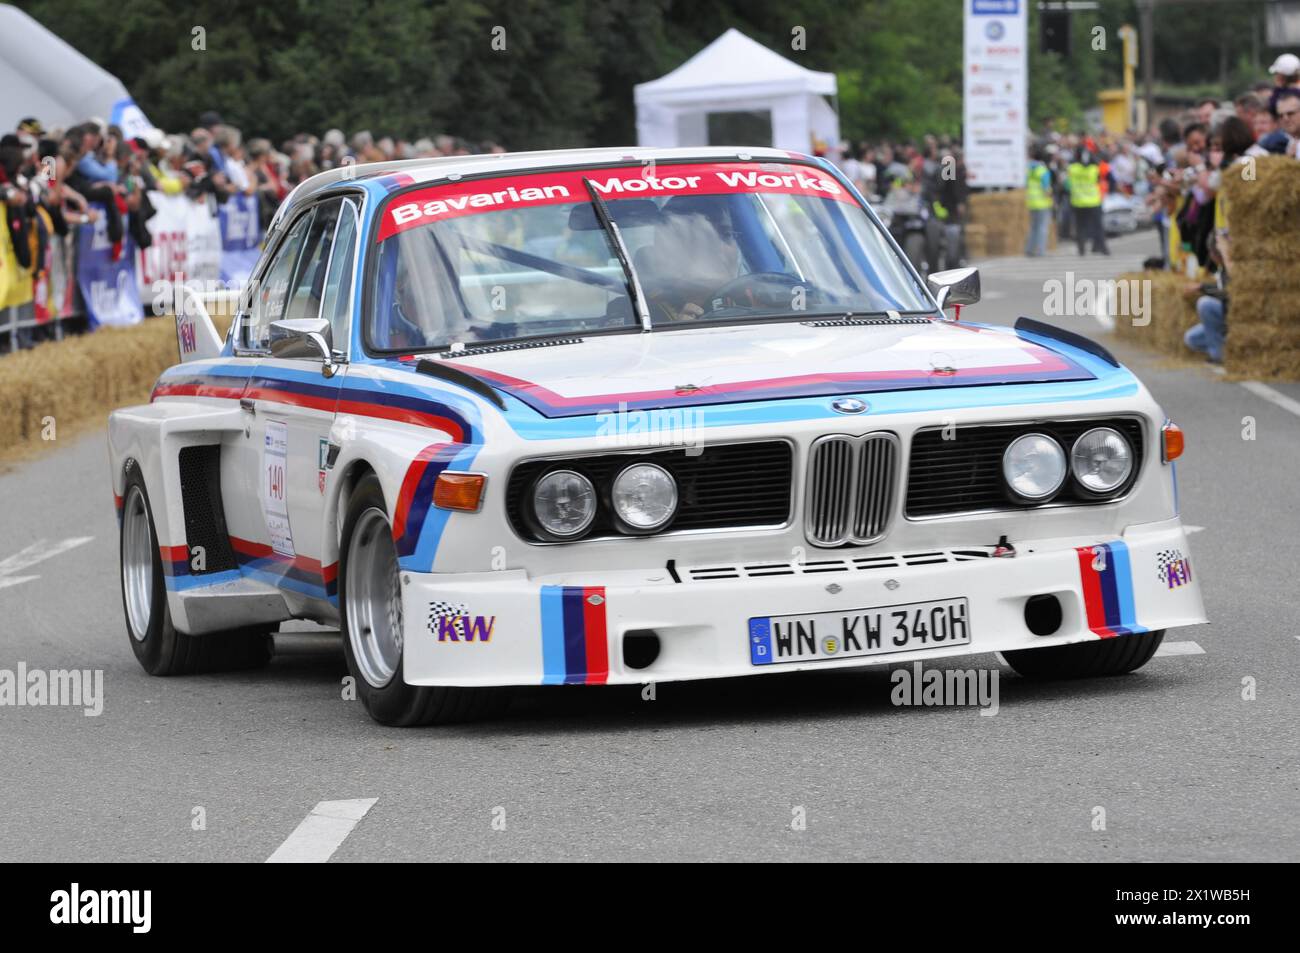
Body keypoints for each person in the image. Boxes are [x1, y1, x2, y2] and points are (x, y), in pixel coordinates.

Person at [1068, 148, 1107, 255]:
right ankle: (1102, 248)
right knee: (1098, 226)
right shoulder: (1094, 169)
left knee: (1081, 227)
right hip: (1093, 201)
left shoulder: (1072, 168)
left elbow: (1068, 182)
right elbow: (1100, 178)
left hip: (1078, 201)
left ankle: (1081, 249)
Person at [1024, 146, 1052, 257]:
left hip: (1031, 201)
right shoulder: (1043, 170)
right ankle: (1041, 250)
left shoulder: (1028, 169)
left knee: (1033, 227)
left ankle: (1029, 249)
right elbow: (1046, 188)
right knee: (1042, 227)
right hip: (1042, 202)